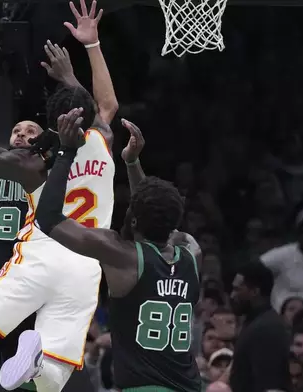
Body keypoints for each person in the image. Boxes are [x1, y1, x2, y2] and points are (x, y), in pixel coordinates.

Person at [0, 1, 119, 390]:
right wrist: (84, 55)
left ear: (53, 126)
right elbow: (105, 106)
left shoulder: (34, 163)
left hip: (40, 258)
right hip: (86, 266)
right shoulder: (103, 141)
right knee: (55, 373)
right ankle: (36, 366)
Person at [33, 109, 201, 391]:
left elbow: (49, 219)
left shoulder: (121, 255)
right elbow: (154, 213)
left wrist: (66, 152)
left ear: (134, 219)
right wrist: (132, 162)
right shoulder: (191, 252)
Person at [229, 261, 291, 392]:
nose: (232, 296)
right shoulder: (257, 322)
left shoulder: (266, 328)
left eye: (237, 289)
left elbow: (271, 386)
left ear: (255, 291)